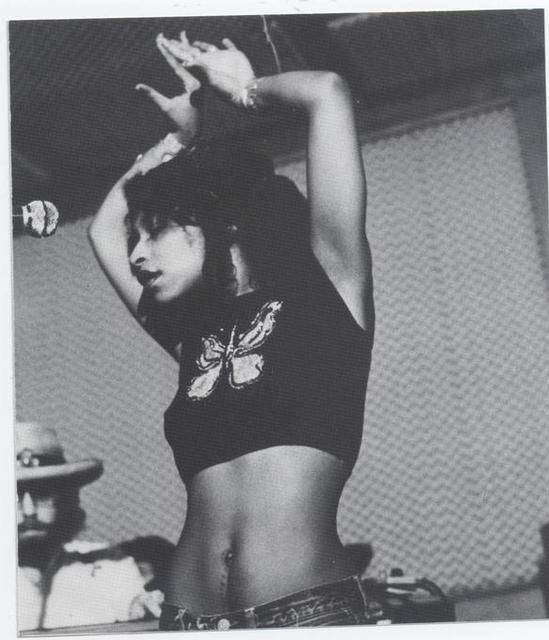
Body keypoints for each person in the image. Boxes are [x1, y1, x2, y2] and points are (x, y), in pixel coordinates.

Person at [88, 31, 378, 630]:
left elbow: (327, 92)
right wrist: (178, 138)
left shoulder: (329, 296)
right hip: (187, 619)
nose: (137, 254)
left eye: (155, 231)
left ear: (224, 224)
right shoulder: (192, 337)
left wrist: (245, 91)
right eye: (137, 238)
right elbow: (102, 228)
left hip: (302, 616)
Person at [16, 421, 165, 631]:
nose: (29, 510)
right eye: (13, 495)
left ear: (67, 498)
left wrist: (140, 608)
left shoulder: (108, 565)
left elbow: (133, 604)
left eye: (42, 493)